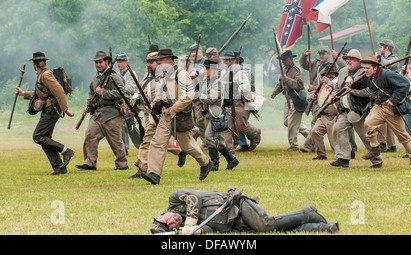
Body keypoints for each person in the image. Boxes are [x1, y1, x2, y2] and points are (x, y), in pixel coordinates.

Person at [141, 49, 212, 185]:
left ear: (168, 60)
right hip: (166, 115)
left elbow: (189, 95)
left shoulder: (181, 73)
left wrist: (175, 108)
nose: (157, 63)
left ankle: (205, 162)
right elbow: (162, 94)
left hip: (179, 115)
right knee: (157, 143)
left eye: (159, 61)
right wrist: (154, 103)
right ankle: (154, 174)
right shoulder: (163, 75)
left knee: (187, 146)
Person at [150, 188, 339, 235]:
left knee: (267, 225)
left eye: (166, 219)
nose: (172, 221)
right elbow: (210, 231)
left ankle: (308, 212)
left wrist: (191, 222)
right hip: (236, 226)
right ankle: (322, 226)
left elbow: (194, 198)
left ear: (162, 214)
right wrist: (196, 231)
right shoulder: (185, 229)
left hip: (237, 206)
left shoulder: (175, 199)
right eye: (171, 226)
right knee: (278, 230)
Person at [15, 52, 75, 175]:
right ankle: (59, 167)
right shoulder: (42, 74)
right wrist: (23, 93)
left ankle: (65, 151)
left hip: (52, 109)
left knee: (38, 136)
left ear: (35, 64)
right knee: (44, 139)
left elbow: (59, 91)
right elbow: (40, 93)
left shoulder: (46, 75)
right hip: (50, 109)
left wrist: (65, 109)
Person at [130, 51, 183, 179]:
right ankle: (180, 151)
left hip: (161, 113)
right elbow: (141, 92)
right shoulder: (147, 77)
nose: (149, 65)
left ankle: (142, 170)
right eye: (147, 62)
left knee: (150, 141)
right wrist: (135, 105)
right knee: (153, 141)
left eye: (152, 62)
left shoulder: (163, 76)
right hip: (150, 114)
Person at [361, 55, 411, 169]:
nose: (365, 70)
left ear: (375, 68)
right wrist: (349, 78)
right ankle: (375, 148)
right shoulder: (368, 77)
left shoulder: (386, 74)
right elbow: (357, 82)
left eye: (367, 68)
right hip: (379, 106)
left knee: (402, 135)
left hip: (392, 107)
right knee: (368, 124)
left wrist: (394, 99)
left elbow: (405, 84)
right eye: (364, 68)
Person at [75, 51, 128, 171]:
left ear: (106, 62)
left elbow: (121, 93)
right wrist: (88, 105)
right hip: (98, 113)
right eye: (96, 63)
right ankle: (90, 163)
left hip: (112, 113)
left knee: (115, 141)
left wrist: (103, 92)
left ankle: (122, 164)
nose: (98, 65)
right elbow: (91, 93)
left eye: (100, 62)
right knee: (90, 135)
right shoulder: (96, 78)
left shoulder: (114, 76)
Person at [329, 49, 376, 168]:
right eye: (346, 59)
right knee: (338, 129)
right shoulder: (343, 71)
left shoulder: (364, 73)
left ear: (359, 61)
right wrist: (332, 97)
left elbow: (369, 91)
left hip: (359, 110)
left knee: (365, 135)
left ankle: (377, 160)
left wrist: (353, 91)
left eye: (351, 59)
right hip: (344, 110)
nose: (348, 61)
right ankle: (343, 158)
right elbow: (337, 87)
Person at [200, 59, 239, 171]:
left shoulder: (217, 83)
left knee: (208, 137)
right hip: (209, 114)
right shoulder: (205, 81)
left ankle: (214, 164)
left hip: (216, 114)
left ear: (212, 70)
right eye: (204, 68)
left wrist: (199, 95)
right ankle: (232, 160)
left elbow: (211, 99)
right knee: (219, 141)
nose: (205, 71)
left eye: (207, 69)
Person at [220, 51, 261, 152]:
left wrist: (233, 90)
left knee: (241, 126)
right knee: (227, 127)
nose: (224, 61)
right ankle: (228, 149)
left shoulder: (241, 72)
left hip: (238, 102)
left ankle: (256, 133)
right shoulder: (223, 72)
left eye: (226, 59)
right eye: (224, 59)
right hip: (227, 102)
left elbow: (246, 87)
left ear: (232, 61)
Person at [270, 50, 310, 151]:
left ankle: (294, 145)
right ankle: (310, 135)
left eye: (285, 59)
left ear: (291, 59)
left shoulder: (297, 70)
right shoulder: (284, 69)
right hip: (287, 98)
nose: (283, 61)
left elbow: (299, 85)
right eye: (282, 60)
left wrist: (286, 78)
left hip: (296, 98)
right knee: (287, 121)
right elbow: (280, 84)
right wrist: (274, 92)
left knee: (292, 123)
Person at [309, 66, 338, 160]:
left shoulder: (337, 83)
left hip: (334, 117)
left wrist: (329, 83)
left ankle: (348, 152)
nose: (331, 75)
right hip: (323, 115)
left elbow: (337, 90)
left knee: (334, 143)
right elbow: (311, 94)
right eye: (329, 74)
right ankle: (321, 155)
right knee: (315, 132)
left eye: (332, 73)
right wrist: (311, 96)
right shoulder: (321, 86)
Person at [376, 39, 399, 152]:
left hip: (390, 93)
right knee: (383, 119)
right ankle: (386, 144)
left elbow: (387, 65)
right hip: (382, 92)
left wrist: (379, 59)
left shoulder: (394, 59)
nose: (380, 49)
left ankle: (387, 144)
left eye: (381, 47)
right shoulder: (381, 59)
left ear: (386, 48)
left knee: (385, 119)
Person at [116, 53, 140, 154]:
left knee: (125, 125)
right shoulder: (117, 73)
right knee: (129, 125)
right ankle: (142, 144)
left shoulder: (131, 73)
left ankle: (125, 148)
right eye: (117, 62)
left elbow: (132, 88)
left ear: (126, 62)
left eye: (120, 62)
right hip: (119, 102)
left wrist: (118, 86)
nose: (118, 64)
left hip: (128, 102)